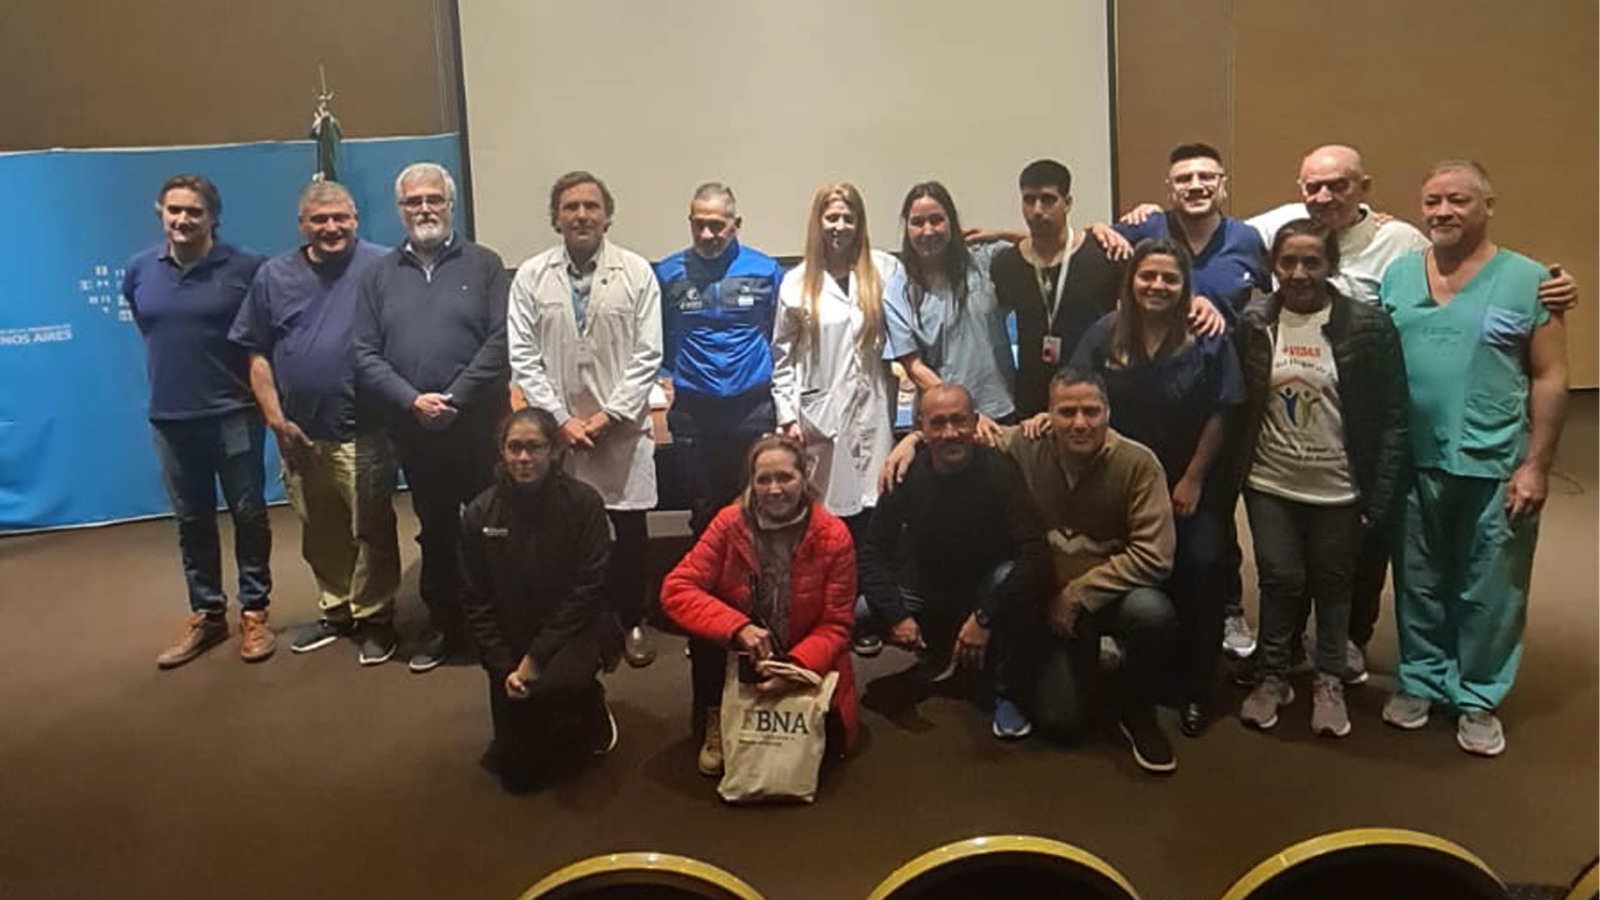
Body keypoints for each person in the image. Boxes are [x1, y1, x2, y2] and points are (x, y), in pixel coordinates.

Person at [881, 370, 1180, 773]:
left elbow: (1155, 556)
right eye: (1066, 411)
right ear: (1048, 414)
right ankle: (1039, 677)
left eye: (1091, 411)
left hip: (1106, 597)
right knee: (1060, 723)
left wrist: (1077, 596)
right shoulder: (1025, 444)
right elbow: (958, 433)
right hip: (1039, 597)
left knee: (1152, 612)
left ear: (1109, 412)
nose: (1079, 423)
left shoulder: (1138, 463)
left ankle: (1136, 707)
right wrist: (914, 441)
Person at [1380, 160, 1568, 757]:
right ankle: (1421, 681)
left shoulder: (1530, 280)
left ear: (1488, 204)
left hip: (1496, 463)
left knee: (1492, 586)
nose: (1442, 212)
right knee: (1418, 580)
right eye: (1431, 200)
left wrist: (1536, 464)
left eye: (1457, 200)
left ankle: (1478, 696)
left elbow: (1549, 375)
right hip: (1413, 460)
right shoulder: (1399, 275)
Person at [1231, 218, 1409, 737]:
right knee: (1279, 579)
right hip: (1271, 481)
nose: (1299, 273)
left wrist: (1381, 492)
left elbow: (1395, 416)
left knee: (1335, 586)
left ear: (1331, 266)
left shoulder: (1367, 326)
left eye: (1312, 262)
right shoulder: (1256, 320)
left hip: (1339, 486)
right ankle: (1272, 677)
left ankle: (1328, 679)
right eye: (1288, 262)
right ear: (1273, 266)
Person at [1067, 238, 1243, 737]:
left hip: (1188, 481)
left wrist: (1192, 478)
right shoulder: (1106, 333)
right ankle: (1148, 676)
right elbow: (1076, 392)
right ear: (1132, 281)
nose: (1157, 286)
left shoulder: (1207, 335)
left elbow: (1223, 411)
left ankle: (1197, 690)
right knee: (1142, 580)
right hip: (1121, 484)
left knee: (1201, 572)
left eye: (1169, 278)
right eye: (1148, 276)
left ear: (1184, 285)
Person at [230, 180, 401, 665]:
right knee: (319, 529)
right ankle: (338, 609)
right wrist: (275, 420)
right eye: (320, 220)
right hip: (299, 433)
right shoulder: (272, 276)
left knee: (371, 527)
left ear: (355, 219)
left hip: (364, 426)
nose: (331, 227)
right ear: (302, 224)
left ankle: (375, 617)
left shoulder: (383, 266)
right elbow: (257, 354)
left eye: (340, 217)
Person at [354, 162, 510, 673]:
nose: (424, 209)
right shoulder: (377, 275)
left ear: (451, 204)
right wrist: (412, 400)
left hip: (478, 425)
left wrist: (455, 397)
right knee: (436, 528)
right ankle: (444, 623)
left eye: (434, 200)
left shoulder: (484, 263)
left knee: (490, 524)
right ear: (400, 210)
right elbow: (363, 352)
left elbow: (499, 341)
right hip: (415, 429)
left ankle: (500, 623)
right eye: (413, 202)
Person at [509, 171, 663, 670]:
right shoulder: (530, 276)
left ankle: (632, 618)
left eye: (591, 207)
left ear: (607, 215)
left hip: (618, 430)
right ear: (555, 218)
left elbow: (648, 353)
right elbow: (523, 355)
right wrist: (560, 420)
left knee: (629, 529)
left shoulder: (637, 272)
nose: (581, 215)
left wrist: (608, 415)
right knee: (568, 533)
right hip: (561, 434)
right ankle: (581, 622)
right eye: (570, 207)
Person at [121, 174, 274, 668]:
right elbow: (150, 324)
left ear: (212, 217)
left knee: (248, 514)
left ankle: (254, 613)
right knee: (191, 521)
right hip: (171, 418)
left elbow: (261, 341)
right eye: (174, 211)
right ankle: (209, 614)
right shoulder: (140, 270)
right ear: (160, 213)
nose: (183, 220)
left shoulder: (247, 268)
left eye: (194, 212)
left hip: (233, 415)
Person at [659, 434, 859, 777]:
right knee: (706, 632)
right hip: (744, 650)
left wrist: (795, 669)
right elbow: (676, 589)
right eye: (763, 479)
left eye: (785, 477)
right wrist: (736, 628)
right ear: (751, 482)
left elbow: (837, 625)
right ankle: (716, 715)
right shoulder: (728, 523)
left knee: (829, 752)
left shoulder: (833, 534)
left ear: (804, 476)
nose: (774, 489)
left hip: (802, 653)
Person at [856, 384, 1048, 739]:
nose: (949, 433)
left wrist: (984, 616)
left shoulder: (1000, 472)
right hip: (931, 588)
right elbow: (872, 552)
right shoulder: (904, 473)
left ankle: (1007, 691)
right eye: (938, 423)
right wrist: (897, 615)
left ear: (975, 422)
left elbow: (1034, 553)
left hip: (988, 592)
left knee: (1012, 577)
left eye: (959, 421)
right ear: (921, 428)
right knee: (864, 611)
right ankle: (940, 651)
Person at [459, 408, 618, 793]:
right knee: (520, 774)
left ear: (555, 451)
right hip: (512, 642)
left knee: (554, 685)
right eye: (515, 447)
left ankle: (587, 699)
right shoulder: (479, 512)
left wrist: (535, 659)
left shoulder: (584, 504)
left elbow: (587, 591)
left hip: (575, 631)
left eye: (535, 447)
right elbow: (475, 599)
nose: (524, 458)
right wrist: (504, 668)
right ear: (501, 450)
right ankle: (538, 704)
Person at [989, 160, 1123, 420]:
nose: (1037, 210)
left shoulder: (1103, 255)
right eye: (1029, 200)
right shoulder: (1006, 264)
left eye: (1048, 199)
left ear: (1068, 202)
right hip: (1030, 401)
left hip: (1094, 399)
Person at [884, 182, 1019, 438]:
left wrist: (996, 233)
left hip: (1001, 410)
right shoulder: (897, 290)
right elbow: (914, 367)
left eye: (936, 220)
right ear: (907, 227)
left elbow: (1042, 247)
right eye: (917, 222)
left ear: (952, 223)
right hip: (942, 421)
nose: (927, 230)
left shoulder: (985, 261)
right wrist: (966, 413)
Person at [1114, 142, 1269, 319]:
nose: (1195, 186)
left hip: (1227, 346)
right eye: (1183, 179)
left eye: (1207, 177)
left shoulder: (1246, 239)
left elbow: (1274, 297)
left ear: (1223, 185)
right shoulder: (1143, 228)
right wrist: (1096, 228)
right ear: (1169, 189)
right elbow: (1087, 246)